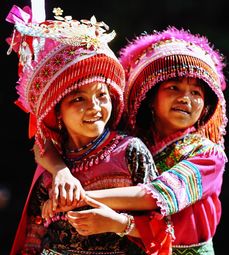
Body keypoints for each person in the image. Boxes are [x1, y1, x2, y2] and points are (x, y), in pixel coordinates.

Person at [35, 26, 228, 255]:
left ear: (206, 105)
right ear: (150, 97)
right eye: (173, 88)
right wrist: (61, 172)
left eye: (196, 93)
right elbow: (44, 145)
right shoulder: (131, 140)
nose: (185, 99)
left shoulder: (207, 155)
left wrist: (77, 198)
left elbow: (154, 196)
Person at [6, 2, 160, 255]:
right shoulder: (52, 160)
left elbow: (164, 229)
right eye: (78, 99)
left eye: (102, 94)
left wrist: (119, 224)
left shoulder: (130, 151)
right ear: (57, 110)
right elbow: (33, 238)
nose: (94, 107)